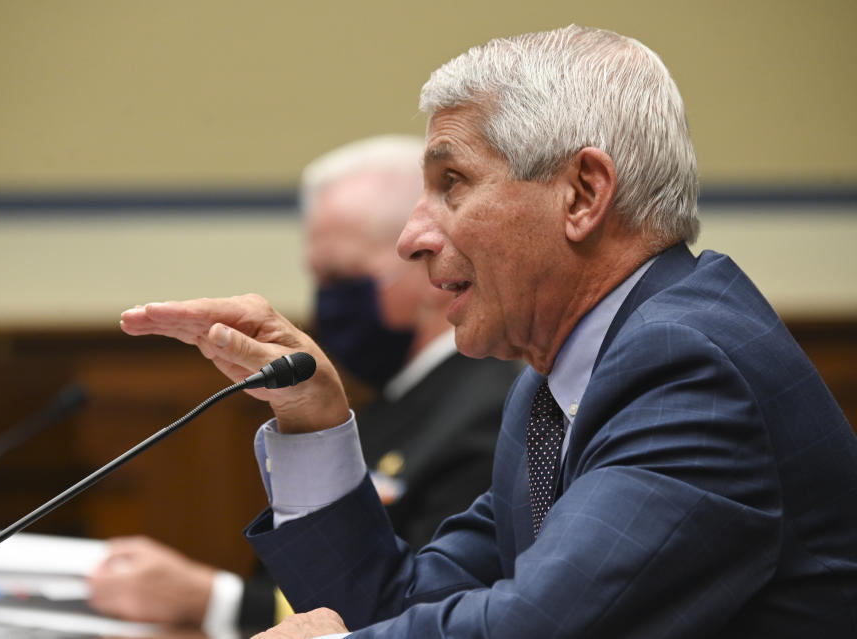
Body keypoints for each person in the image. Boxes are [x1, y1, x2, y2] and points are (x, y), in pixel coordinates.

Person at [119, 25, 857, 638]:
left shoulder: (687, 369)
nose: (412, 237)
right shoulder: (551, 386)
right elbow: (391, 604)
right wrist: (314, 424)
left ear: (582, 195)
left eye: (452, 184)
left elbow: (536, 627)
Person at [88, 136, 520, 633]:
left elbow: (418, 611)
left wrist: (213, 601)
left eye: (344, 276)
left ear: (428, 263)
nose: (328, 301)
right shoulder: (387, 397)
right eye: (319, 278)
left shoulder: (493, 409)